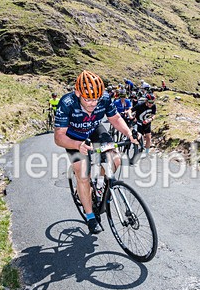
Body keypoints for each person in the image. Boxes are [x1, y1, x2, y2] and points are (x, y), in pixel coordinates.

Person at [54, 70, 138, 234]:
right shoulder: (67, 103)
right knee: (82, 173)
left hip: (93, 130)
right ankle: (90, 216)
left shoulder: (105, 98)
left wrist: (129, 134)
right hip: (74, 137)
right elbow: (58, 137)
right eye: (88, 99)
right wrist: (78, 145)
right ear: (78, 93)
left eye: (96, 99)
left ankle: (99, 185)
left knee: (115, 159)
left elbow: (115, 119)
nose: (93, 103)